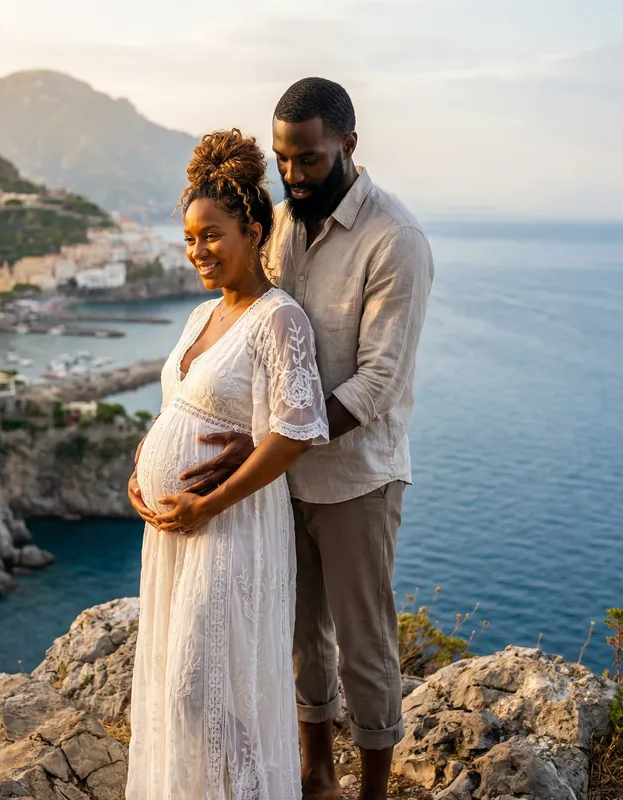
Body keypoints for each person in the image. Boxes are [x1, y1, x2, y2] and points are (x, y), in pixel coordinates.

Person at [154, 78, 435, 800]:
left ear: (348, 144)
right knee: (300, 635)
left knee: (364, 644)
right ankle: (317, 775)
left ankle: (374, 789)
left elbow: (378, 381)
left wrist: (277, 440)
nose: (293, 175)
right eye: (283, 160)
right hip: (276, 481)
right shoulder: (275, 223)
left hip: (356, 478)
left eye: (308, 159)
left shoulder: (394, 240)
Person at [126, 128, 329, 800]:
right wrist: (142, 469)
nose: (198, 251)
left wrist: (206, 504)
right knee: (179, 688)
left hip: (229, 529)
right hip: (177, 532)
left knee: (203, 687)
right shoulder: (199, 315)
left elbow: (296, 431)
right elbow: (178, 408)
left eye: (212, 235)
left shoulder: (279, 319)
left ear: (254, 231)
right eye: (190, 238)